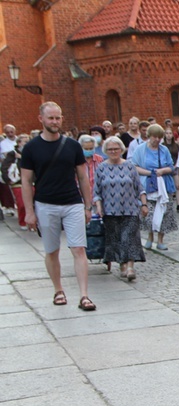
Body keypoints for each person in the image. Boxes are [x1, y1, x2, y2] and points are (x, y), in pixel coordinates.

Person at [20, 102, 96, 311]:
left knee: (79, 249)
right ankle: (58, 290)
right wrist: (29, 212)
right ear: (41, 119)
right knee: (52, 250)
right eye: (51, 118)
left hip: (72, 202)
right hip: (45, 204)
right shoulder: (31, 148)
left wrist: (88, 206)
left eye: (58, 118)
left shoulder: (72, 146)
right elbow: (26, 181)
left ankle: (84, 295)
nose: (55, 122)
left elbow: (83, 177)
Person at [93, 137, 148, 281]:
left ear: (121, 150)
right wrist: (99, 207)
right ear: (106, 151)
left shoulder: (130, 166)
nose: (113, 152)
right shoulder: (101, 168)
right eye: (110, 149)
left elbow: (139, 188)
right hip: (110, 211)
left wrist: (144, 204)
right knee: (116, 239)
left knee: (129, 238)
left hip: (130, 209)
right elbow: (96, 192)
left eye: (116, 149)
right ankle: (122, 265)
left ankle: (130, 267)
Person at [132, 124, 177, 250]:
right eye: (154, 137)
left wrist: (161, 171)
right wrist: (149, 173)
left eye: (159, 137)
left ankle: (160, 240)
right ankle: (150, 236)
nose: (157, 140)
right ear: (149, 136)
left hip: (164, 184)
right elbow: (134, 166)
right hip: (147, 184)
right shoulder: (141, 149)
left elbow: (171, 166)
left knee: (164, 212)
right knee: (149, 213)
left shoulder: (164, 150)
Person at [1, 134, 29, 228]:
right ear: (19, 143)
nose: (27, 143)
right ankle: (23, 222)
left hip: (31, 182)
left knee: (33, 204)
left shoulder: (32, 152)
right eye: (25, 142)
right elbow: (4, 167)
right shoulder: (12, 153)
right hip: (18, 183)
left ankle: (33, 222)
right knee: (21, 204)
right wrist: (8, 180)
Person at [78, 134, 104, 201]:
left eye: (91, 148)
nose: (89, 150)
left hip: (97, 196)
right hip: (81, 197)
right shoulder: (77, 160)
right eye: (86, 149)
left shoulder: (100, 159)